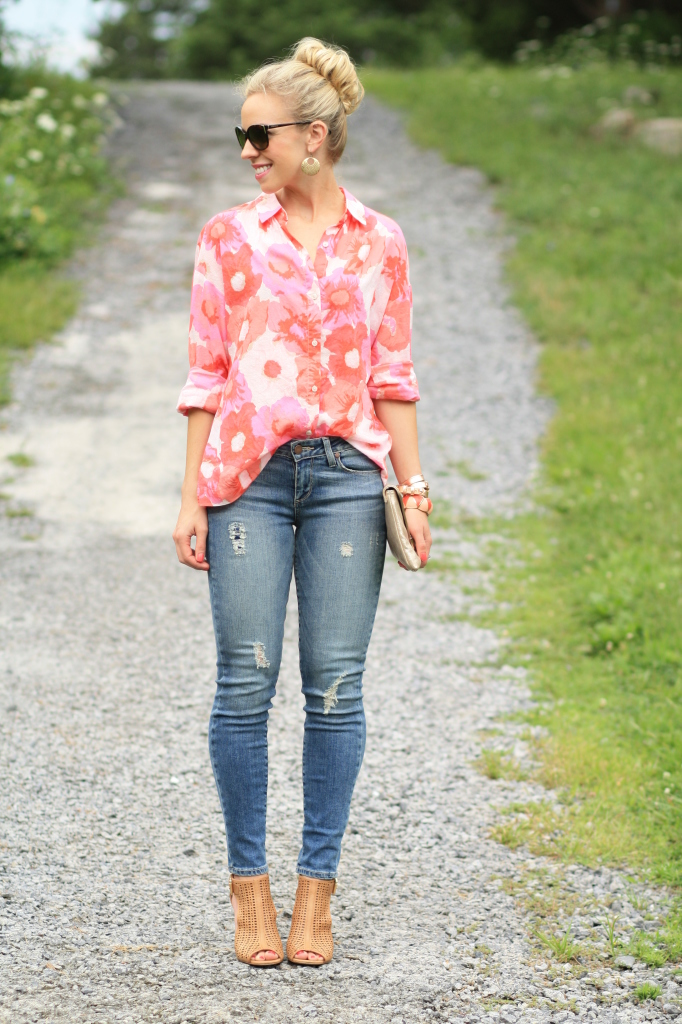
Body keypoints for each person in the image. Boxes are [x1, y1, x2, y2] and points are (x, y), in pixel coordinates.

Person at [173, 37, 432, 968]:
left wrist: (413, 487)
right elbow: (206, 371)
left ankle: (316, 898)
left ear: (314, 137)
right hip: (246, 477)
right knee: (245, 683)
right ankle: (252, 895)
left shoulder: (382, 242)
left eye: (260, 132)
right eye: (240, 133)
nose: (247, 147)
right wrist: (192, 495)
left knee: (335, 688)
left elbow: (394, 376)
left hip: (349, 482)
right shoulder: (227, 237)